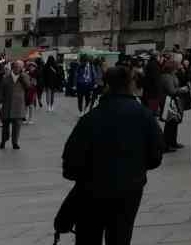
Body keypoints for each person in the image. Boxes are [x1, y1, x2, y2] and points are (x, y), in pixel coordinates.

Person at [62, 64, 164, 245]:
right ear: (130, 84)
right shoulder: (144, 116)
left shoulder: (91, 118)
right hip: (129, 189)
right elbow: (156, 155)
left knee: (88, 236)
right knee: (120, 237)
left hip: (91, 192)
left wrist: (86, 177)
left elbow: (70, 162)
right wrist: (136, 169)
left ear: (106, 84)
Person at [0, 61, 31, 150]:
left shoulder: (24, 77)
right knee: (5, 126)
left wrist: (22, 77)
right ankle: (4, 140)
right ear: (13, 68)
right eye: (16, 67)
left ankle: (15, 142)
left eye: (20, 67)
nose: (18, 69)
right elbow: (1, 91)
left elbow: (28, 87)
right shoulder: (6, 77)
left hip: (19, 106)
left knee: (17, 126)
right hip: (7, 105)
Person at [159, 56, 184, 153]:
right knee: (170, 123)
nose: (179, 66)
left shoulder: (172, 75)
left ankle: (173, 142)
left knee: (174, 122)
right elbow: (171, 90)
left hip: (173, 101)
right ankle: (167, 144)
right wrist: (181, 90)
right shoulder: (166, 76)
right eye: (178, 65)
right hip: (168, 102)